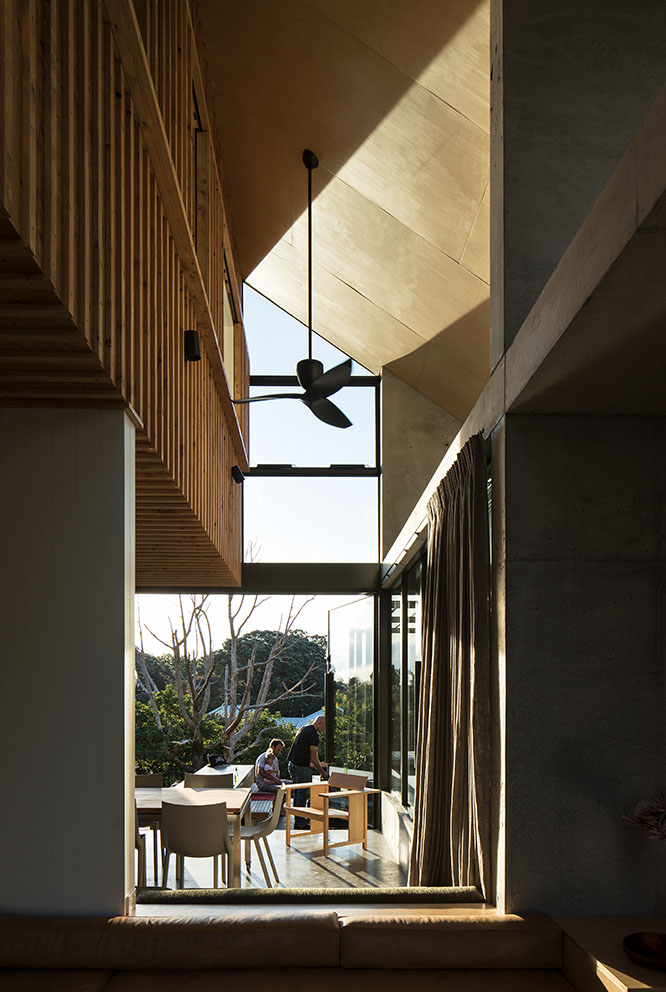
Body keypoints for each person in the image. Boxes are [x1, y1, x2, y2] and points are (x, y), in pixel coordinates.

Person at [287, 715, 328, 828]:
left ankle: (298, 820)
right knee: (302, 794)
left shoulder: (304, 729)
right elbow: (313, 757)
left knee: (298, 793)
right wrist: (322, 772)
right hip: (301, 768)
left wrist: (318, 766)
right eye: (324, 727)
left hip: (294, 765)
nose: (324, 730)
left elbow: (304, 754)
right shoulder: (313, 734)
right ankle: (300, 822)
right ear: (319, 723)